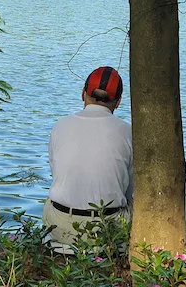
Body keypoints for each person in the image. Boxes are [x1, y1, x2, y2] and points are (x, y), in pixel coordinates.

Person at [43, 66, 132, 244]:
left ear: (83, 94)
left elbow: (56, 174)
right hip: (107, 227)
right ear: (118, 102)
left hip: (60, 224)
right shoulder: (128, 132)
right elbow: (131, 191)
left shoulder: (60, 126)